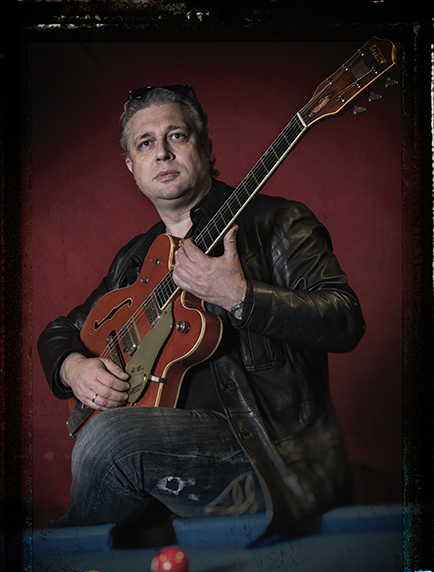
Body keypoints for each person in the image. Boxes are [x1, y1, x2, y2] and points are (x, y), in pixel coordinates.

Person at [38, 85, 365, 541]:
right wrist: (74, 368)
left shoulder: (279, 222)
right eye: (145, 143)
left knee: (110, 440)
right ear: (132, 167)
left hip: (266, 452)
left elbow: (345, 319)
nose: (162, 152)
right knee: (110, 440)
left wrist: (240, 296)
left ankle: (64, 550)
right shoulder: (133, 261)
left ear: (207, 147)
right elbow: (60, 331)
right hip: (170, 461)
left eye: (177, 135)